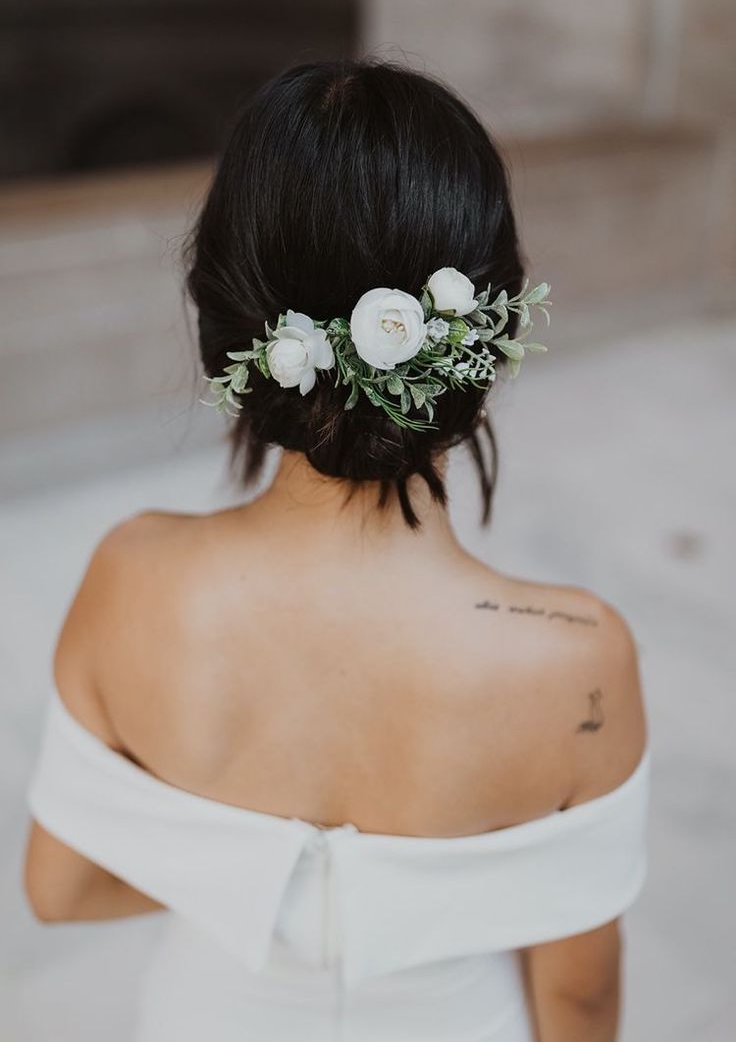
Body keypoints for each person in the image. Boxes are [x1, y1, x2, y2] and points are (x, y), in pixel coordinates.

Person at [23, 59, 649, 1042]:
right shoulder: (575, 656)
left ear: (225, 319)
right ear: (485, 323)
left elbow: (60, 888)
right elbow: (577, 995)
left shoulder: (129, 575)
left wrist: (265, 886)